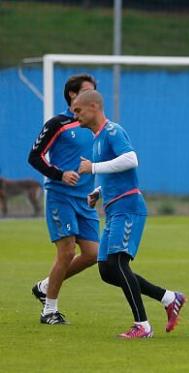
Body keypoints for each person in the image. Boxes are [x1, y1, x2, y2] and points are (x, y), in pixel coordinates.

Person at [73, 90, 187, 338]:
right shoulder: (97, 139)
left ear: (94, 106)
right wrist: (99, 191)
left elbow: (131, 159)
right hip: (114, 208)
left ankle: (142, 326)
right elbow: (116, 172)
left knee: (118, 262)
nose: (75, 116)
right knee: (107, 271)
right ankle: (168, 298)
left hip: (128, 207)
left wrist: (92, 167)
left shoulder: (113, 131)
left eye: (78, 110)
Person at [27, 74, 99, 325]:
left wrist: (98, 189)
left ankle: (45, 286)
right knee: (66, 252)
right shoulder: (57, 123)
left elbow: (99, 163)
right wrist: (59, 174)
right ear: (72, 95)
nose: (93, 98)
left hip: (85, 200)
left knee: (92, 254)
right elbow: (35, 156)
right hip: (61, 197)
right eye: (87, 92)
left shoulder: (96, 127)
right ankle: (49, 311)